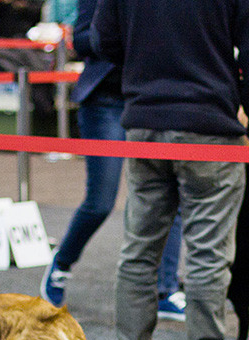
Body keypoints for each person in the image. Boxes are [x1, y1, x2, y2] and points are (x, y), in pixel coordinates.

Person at [92, 0, 249, 340]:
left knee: (138, 253)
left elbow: (101, 40)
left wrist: (145, 75)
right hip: (210, 129)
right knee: (208, 254)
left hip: (144, 124)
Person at [39, 0, 185, 321]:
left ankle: (166, 289)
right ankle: (61, 264)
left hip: (152, 99)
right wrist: (128, 35)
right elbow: (81, 40)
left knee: (169, 195)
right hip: (106, 102)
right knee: (100, 202)